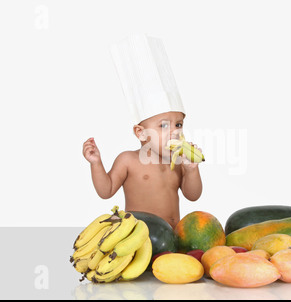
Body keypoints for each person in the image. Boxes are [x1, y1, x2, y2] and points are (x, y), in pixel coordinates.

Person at [82, 34, 203, 228]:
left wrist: (192, 171)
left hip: (172, 237)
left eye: (178, 125)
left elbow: (193, 195)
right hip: (139, 238)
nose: (174, 132)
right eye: (163, 125)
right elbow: (106, 191)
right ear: (141, 133)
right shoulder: (128, 160)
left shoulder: (178, 161)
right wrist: (96, 163)